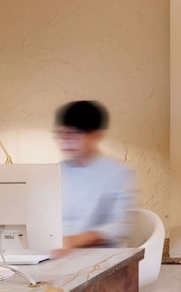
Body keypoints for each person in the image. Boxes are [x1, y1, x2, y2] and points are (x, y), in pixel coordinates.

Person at [54, 100, 137, 251]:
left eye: (73, 134)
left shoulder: (118, 173)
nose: (65, 140)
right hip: (57, 251)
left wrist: (72, 241)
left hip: (99, 255)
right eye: (62, 133)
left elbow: (119, 226)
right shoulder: (56, 171)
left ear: (96, 135)